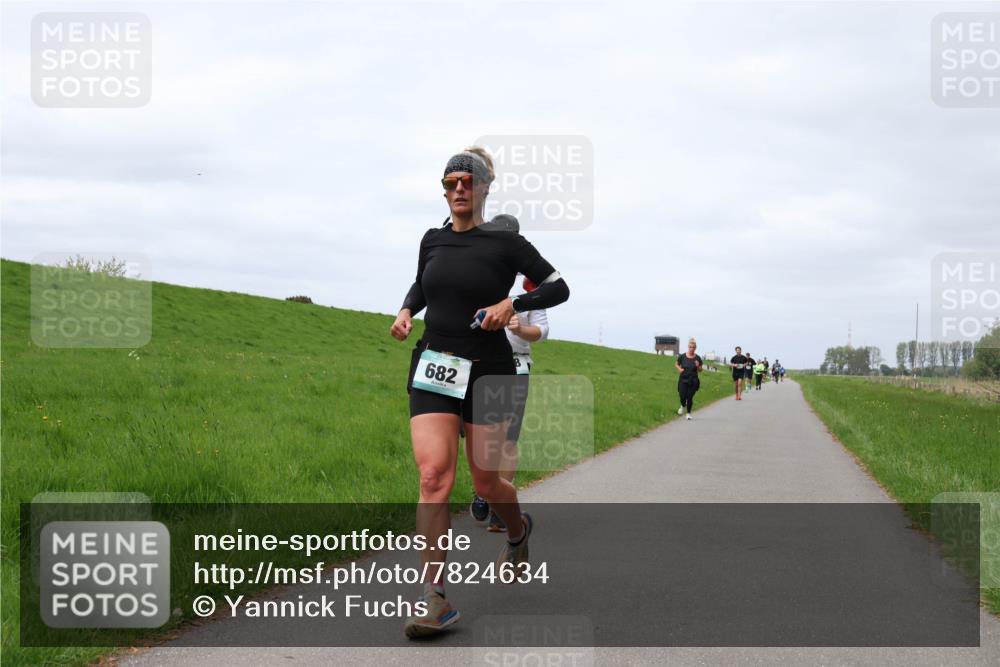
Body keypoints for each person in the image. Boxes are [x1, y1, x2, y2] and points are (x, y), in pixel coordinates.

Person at [391, 146, 569, 638]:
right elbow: (422, 287)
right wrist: (406, 311)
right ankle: (435, 597)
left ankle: (518, 530)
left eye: (467, 182)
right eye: (450, 183)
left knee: (488, 483)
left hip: (489, 371)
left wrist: (512, 303)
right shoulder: (432, 240)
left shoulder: (505, 243)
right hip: (435, 366)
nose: (459, 189)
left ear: (486, 187)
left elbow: (558, 287)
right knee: (432, 478)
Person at [471, 274, 550, 533]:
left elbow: (541, 330)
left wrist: (519, 329)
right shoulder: (479, 271)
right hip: (478, 362)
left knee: (508, 438)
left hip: (516, 363)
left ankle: (498, 508)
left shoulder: (530, 286)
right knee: (475, 433)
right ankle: (486, 489)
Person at [675, 338, 703, 420]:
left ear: (695, 348)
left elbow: (701, 370)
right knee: (682, 397)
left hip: (693, 380)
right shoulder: (682, 356)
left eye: (693, 347)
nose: (692, 349)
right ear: (688, 347)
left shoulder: (698, 358)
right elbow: (676, 364)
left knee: (689, 397)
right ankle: (683, 405)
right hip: (683, 379)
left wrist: (698, 366)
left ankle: (688, 413)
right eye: (690, 347)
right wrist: (679, 369)